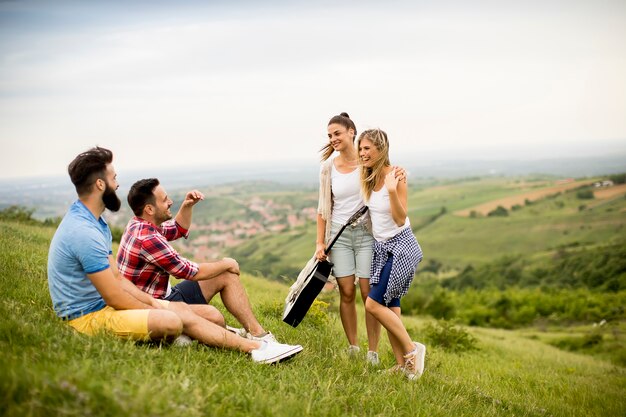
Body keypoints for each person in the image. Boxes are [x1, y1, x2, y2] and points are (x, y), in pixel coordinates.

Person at [47, 147, 302, 364]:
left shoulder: (97, 224)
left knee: (205, 316)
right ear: (100, 184)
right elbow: (113, 295)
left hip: (116, 303)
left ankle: (246, 341)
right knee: (171, 321)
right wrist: (160, 308)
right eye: (114, 178)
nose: (117, 183)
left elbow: (118, 279)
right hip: (86, 318)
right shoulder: (84, 232)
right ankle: (257, 349)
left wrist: (156, 304)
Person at [117, 178, 278, 344]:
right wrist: (228, 262)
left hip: (166, 297)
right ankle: (185, 335)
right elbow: (190, 272)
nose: (170, 202)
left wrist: (187, 205)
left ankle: (258, 334)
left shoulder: (141, 223)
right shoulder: (147, 238)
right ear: (149, 209)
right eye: (165, 200)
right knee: (214, 317)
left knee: (225, 275)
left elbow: (177, 229)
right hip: (154, 309)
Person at [316, 113, 405, 365]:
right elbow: (322, 208)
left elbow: (387, 171)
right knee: (346, 291)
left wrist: (399, 171)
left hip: (367, 234)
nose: (333, 138)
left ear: (351, 132)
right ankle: (353, 346)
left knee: (368, 294)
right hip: (339, 235)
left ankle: (373, 352)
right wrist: (319, 243)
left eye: (337, 133)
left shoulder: (368, 163)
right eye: (330, 135)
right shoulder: (327, 168)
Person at [357, 128, 426, 380]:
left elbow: (399, 219)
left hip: (401, 245)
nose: (362, 153)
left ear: (380, 149)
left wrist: (392, 190)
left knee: (373, 304)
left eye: (367, 148)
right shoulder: (367, 176)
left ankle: (411, 352)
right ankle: (402, 365)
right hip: (382, 248)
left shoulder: (395, 176)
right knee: (391, 305)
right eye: (360, 148)